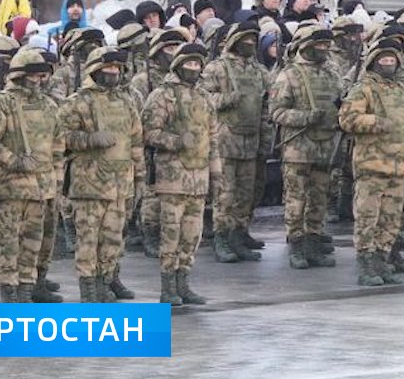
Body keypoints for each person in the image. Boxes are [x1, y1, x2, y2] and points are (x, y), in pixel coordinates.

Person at [0, 47, 64, 302]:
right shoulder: (2, 103)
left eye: (41, 76)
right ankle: (10, 294)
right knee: (10, 245)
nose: (38, 80)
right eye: (33, 75)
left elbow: (58, 146)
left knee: (33, 244)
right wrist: (13, 160)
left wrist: (56, 181)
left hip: (42, 189)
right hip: (11, 188)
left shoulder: (49, 106)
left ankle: (27, 290)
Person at [61, 47, 143, 301]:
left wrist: (139, 176)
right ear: (95, 70)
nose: (113, 73)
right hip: (89, 186)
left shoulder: (127, 102)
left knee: (112, 241)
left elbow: (136, 141)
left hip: (120, 185)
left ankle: (104, 284)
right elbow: (59, 138)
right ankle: (88, 290)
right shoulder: (77, 102)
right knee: (88, 242)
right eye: (108, 68)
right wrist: (89, 139)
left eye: (117, 69)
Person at [339, 40, 404, 286]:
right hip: (372, 165)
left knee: (391, 218)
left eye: (392, 60)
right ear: (374, 61)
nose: (388, 63)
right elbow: (347, 119)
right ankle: (366, 261)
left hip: (400, 166)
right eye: (383, 60)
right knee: (368, 216)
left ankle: (382, 258)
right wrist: (375, 122)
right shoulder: (363, 89)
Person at [143, 44, 215, 308]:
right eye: (190, 64)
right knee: (171, 234)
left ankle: (184, 283)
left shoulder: (205, 98)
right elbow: (149, 132)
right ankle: (167, 287)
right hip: (173, 178)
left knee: (192, 235)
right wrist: (175, 141)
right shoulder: (162, 96)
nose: (194, 69)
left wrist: (215, 172)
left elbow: (213, 136)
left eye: (198, 65)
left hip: (199, 177)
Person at [268, 24, 344, 271]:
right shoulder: (289, 75)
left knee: (319, 199)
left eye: (326, 45)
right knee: (296, 200)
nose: (323, 49)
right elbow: (276, 113)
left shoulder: (333, 74)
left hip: (325, 146)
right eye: (318, 45)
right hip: (298, 148)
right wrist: (305, 117)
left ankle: (314, 241)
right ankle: (296, 244)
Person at [202, 18, 269, 262]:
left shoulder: (259, 71)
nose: (250, 43)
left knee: (245, 194)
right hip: (225, 143)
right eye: (246, 39)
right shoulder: (216, 68)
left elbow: (266, 107)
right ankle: (221, 238)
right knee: (225, 195)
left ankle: (239, 236)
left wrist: (265, 142)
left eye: (254, 39)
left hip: (251, 142)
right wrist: (227, 99)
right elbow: (204, 100)